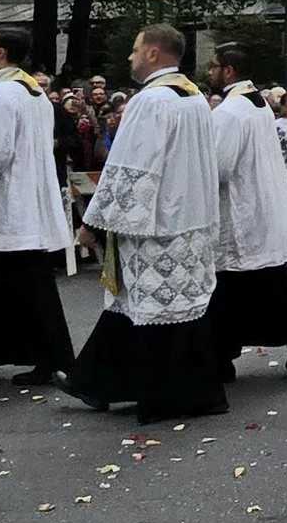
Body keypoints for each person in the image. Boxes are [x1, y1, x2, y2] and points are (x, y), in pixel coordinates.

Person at [65, 24, 232, 419]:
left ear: (154, 53)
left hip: (155, 224)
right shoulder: (195, 98)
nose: (130, 57)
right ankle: (94, 380)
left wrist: (98, 223)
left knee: (157, 314)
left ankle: (171, 395)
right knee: (149, 308)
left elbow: (130, 168)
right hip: (192, 219)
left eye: (136, 49)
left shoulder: (151, 101)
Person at [0, 26, 75, 388]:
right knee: (26, 289)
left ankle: (50, 356)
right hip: (29, 200)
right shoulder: (35, 92)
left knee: (21, 289)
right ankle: (43, 356)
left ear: (1, 52)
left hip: (7, 203)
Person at [205, 44, 287, 374]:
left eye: (213, 66)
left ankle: (223, 355)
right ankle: (228, 352)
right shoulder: (255, 106)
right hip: (257, 205)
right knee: (251, 283)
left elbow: (219, 166)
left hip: (238, 210)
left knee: (228, 286)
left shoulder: (229, 112)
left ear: (228, 71)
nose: (209, 72)